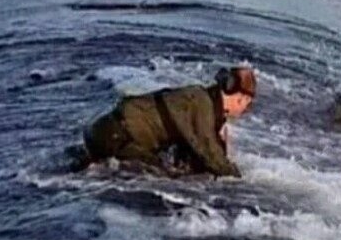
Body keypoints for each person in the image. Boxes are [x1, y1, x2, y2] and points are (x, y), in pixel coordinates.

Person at [72, 65, 257, 178]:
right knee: (165, 181)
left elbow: (192, 155)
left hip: (104, 132)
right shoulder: (201, 104)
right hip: (114, 137)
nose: (244, 110)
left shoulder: (201, 99)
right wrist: (239, 181)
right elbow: (209, 154)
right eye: (247, 105)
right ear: (241, 98)